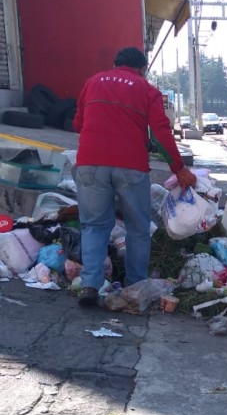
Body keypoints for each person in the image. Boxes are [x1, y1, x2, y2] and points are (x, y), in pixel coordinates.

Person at [73, 47, 197, 307]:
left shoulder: (93, 82)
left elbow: (78, 124)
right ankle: (134, 286)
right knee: (138, 228)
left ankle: (90, 285)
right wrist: (179, 169)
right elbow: (162, 132)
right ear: (142, 69)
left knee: (94, 226)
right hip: (131, 166)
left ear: (116, 65)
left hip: (90, 163)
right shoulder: (147, 89)